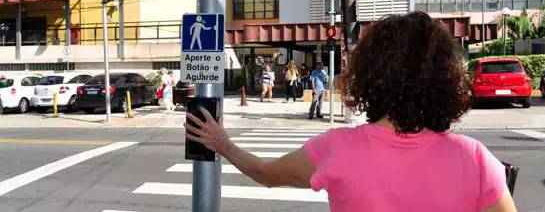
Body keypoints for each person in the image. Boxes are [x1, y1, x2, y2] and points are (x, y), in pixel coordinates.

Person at [184, 12, 517, 212]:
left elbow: (266, 174)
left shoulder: (338, 149)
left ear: (370, 73)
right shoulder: (474, 159)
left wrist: (223, 144)